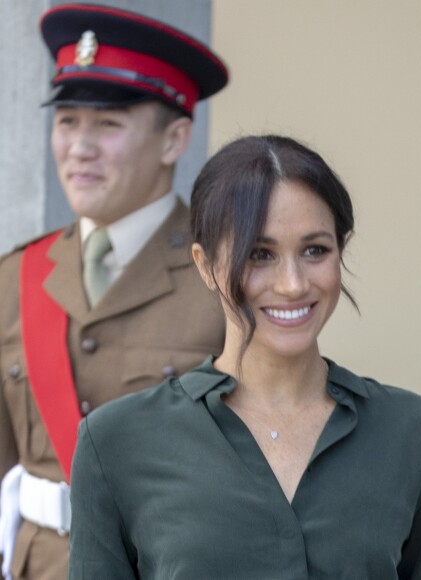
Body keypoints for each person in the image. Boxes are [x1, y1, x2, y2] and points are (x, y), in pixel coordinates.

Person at [68, 135, 421, 579]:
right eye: (259, 255)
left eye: (315, 250)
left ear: (341, 249)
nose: (293, 284)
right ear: (203, 264)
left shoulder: (420, 434)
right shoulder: (115, 442)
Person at [0, 4, 228, 579]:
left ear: (175, 139)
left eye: (107, 123)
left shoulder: (224, 280)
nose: (79, 146)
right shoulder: (15, 277)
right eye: (67, 120)